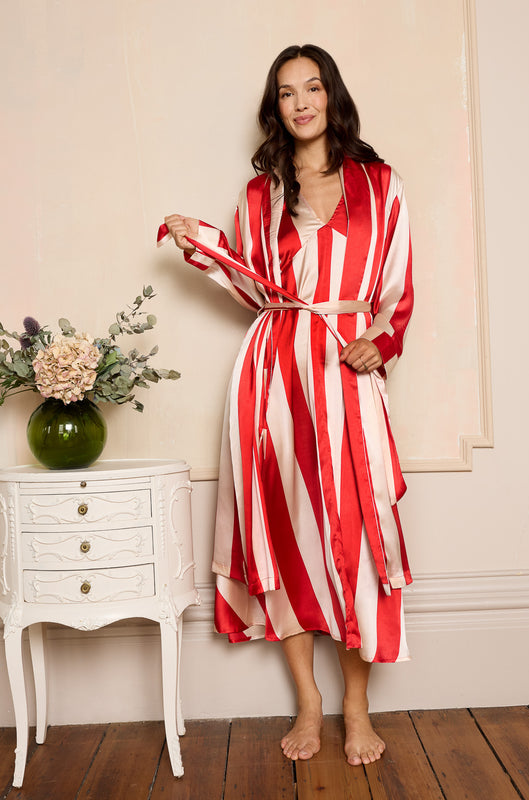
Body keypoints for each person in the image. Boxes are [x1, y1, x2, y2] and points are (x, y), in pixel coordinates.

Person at [160, 43, 413, 767]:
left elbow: (397, 288)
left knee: (356, 536)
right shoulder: (259, 194)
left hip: (344, 372)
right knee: (285, 531)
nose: (301, 102)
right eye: (286, 92)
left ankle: (357, 707)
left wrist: (380, 340)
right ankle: (310, 700)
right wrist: (202, 244)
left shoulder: (380, 184)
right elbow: (251, 289)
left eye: (312, 88)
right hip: (272, 373)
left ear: (332, 96)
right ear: (275, 107)